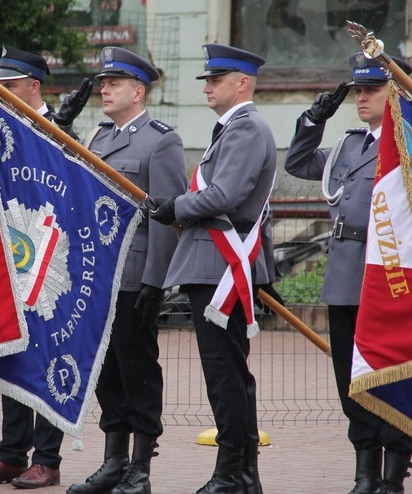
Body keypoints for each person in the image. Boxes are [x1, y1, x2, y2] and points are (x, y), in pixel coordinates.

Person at [0, 46, 90, 490]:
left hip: (51, 261)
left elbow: (74, 189)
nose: (3, 93)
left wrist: (59, 128)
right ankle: (10, 454)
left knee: (48, 356)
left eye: (9, 87)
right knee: (10, 353)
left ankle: (46, 460)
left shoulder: (63, 128)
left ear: (34, 86)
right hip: (11, 259)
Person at [284, 53, 412, 494]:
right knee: (352, 379)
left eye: (371, 89)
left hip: (390, 275)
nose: (360, 97)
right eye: (357, 90)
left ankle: (392, 476)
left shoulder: (410, 142)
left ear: (394, 92)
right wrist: (312, 120)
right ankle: (365, 474)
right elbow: (299, 165)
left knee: (393, 374)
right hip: (345, 273)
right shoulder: (348, 144)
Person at [148, 44, 276, 494]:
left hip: (220, 265)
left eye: (216, 79)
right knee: (228, 375)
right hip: (213, 262)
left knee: (226, 376)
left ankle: (232, 474)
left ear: (242, 83)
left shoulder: (245, 129)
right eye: (207, 79)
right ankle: (243, 475)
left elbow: (224, 196)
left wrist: (174, 206)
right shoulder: (233, 129)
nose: (208, 87)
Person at [67, 46, 186, 494]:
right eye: (103, 83)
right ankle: (113, 462)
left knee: (137, 370)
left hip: (134, 275)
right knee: (105, 372)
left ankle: (140, 469)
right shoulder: (98, 137)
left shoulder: (161, 140)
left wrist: (157, 281)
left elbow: (167, 216)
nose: (104, 89)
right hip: (96, 276)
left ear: (138, 91)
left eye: (113, 83)